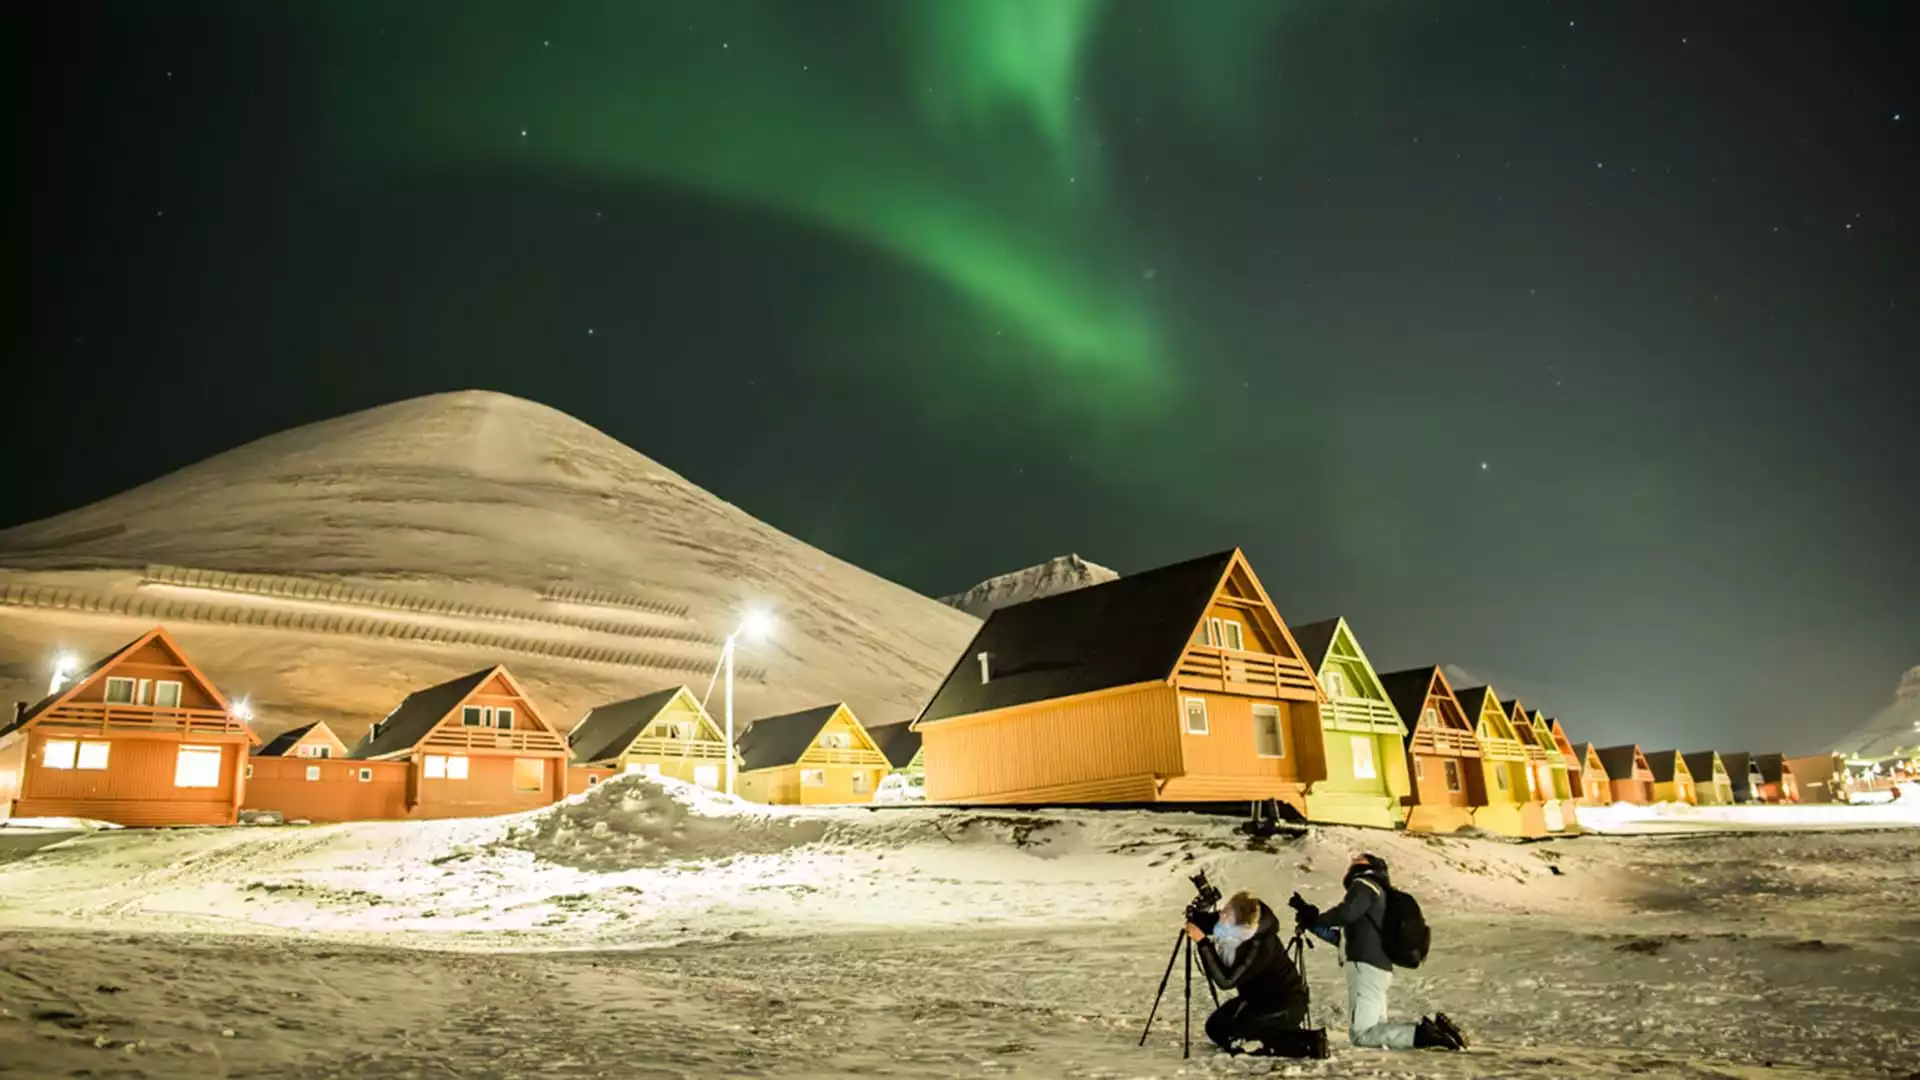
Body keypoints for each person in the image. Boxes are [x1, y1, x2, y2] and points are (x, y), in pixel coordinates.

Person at [1296, 853, 1467, 1051]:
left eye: (1359, 861)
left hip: (1365, 968)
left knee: (1362, 1034)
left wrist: (1316, 918)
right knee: (1376, 1031)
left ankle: (1425, 1034)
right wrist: (1311, 920)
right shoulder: (1378, 898)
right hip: (1376, 968)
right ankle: (1436, 1033)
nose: (1353, 862)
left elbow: (1345, 914)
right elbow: (1342, 939)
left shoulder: (1365, 885)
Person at [1182, 889, 1327, 1058]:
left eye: (1226, 913)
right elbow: (1206, 922)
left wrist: (1203, 943)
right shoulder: (1233, 927)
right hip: (1255, 1000)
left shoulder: (1261, 945)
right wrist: (1199, 910)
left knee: (1237, 1036)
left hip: (1285, 1003)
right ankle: (1266, 1032)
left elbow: (1226, 981)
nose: (1220, 914)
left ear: (1238, 921)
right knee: (1216, 1028)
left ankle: (1308, 1043)